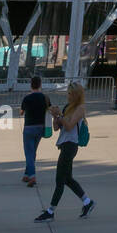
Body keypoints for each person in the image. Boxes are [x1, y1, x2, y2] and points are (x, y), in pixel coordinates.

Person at [34, 82, 94, 222]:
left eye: (71, 94)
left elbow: (69, 126)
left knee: (60, 179)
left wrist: (60, 115)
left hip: (70, 146)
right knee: (67, 179)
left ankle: (50, 211)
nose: (68, 96)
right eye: (68, 93)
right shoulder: (68, 107)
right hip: (64, 145)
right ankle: (87, 202)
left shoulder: (80, 108)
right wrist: (55, 116)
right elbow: (57, 128)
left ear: (77, 95)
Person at [20, 75, 51, 186]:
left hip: (29, 128)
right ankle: (26, 174)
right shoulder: (45, 97)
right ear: (40, 85)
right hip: (40, 127)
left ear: (31, 85)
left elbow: (21, 112)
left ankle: (32, 176)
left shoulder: (27, 98)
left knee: (29, 153)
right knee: (32, 152)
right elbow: (49, 109)